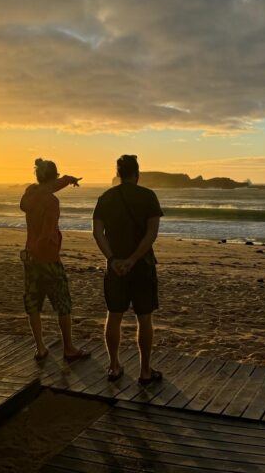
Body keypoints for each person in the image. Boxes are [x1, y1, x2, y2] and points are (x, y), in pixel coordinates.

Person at [92, 155, 163, 384]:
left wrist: (113, 259)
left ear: (118, 173)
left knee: (114, 317)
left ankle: (113, 366)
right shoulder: (148, 196)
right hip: (142, 266)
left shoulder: (106, 198)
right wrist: (133, 259)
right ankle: (144, 371)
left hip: (115, 268)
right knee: (144, 319)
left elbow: (97, 233)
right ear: (137, 173)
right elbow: (151, 234)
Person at [20, 158, 90, 362]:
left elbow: (46, 190)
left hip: (30, 258)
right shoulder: (52, 202)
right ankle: (68, 348)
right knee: (63, 303)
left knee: (33, 302)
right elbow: (47, 233)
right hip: (48, 258)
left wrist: (68, 179)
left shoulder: (30, 193)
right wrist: (42, 248)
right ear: (54, 176)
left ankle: (40, 348)